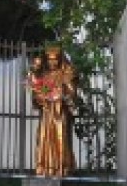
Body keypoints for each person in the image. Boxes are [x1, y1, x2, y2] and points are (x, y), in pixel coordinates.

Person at [31, 46, 76, 177]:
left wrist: (63, 94)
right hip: (47, 113)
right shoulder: (44, 75)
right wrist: (40, 97)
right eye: (49, 60)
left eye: (55, 60)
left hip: (59, 112)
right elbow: (41, 92)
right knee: (44, 138)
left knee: (60, 137)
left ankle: (61, 167)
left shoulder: (65, 74)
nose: (52, 62)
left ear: (59, 60)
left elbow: (71, 92)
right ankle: (45, 167)